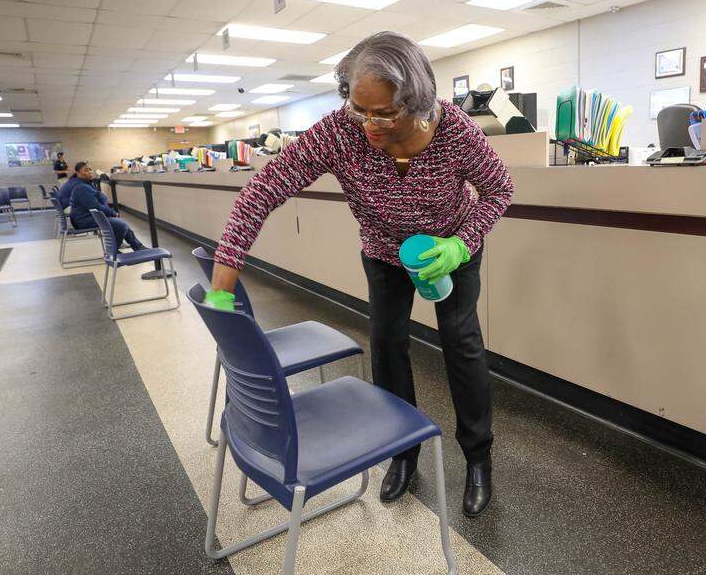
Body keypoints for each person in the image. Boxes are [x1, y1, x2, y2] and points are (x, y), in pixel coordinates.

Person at [208, 31, 514, 517]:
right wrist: (223, 285)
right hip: (382, 252)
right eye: (360, 109)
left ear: (417, 100)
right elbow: (262, 190)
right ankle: (402, 453)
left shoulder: (456, 131)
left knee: (461, 342)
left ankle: (479, 459)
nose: (371, 123)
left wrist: (460, 244)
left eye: (386, 112)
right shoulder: (339, 132)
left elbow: (500, 189)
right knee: (387, 344)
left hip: (448, 249)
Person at [68, 162, 147, 252]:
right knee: (121, 225)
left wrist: (103, 200)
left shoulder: (86, 184)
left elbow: (99, 199)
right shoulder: (81, 187)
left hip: (89, 216)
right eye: (86, 170)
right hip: (83, 220)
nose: (89, 172)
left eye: (90, 169)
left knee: (121, 223)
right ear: (78, 173)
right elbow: (95, 206)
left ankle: (137, 246)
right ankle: (112, 251)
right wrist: (112, 213)